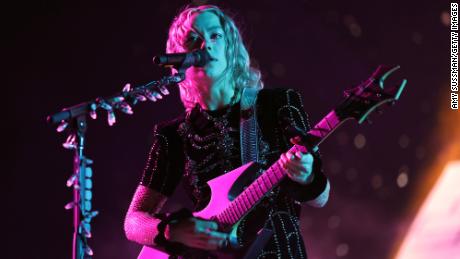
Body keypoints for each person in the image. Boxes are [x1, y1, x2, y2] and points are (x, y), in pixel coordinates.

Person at [124, 5, 330, 259]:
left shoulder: (277, 104)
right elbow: (133, 221)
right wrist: (172, 231)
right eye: (193, 40)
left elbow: (320, 198)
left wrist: (307, 175)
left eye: (215, 36)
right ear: (179, 58)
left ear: (230, 47)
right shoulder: (173, 135)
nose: (205, 46)